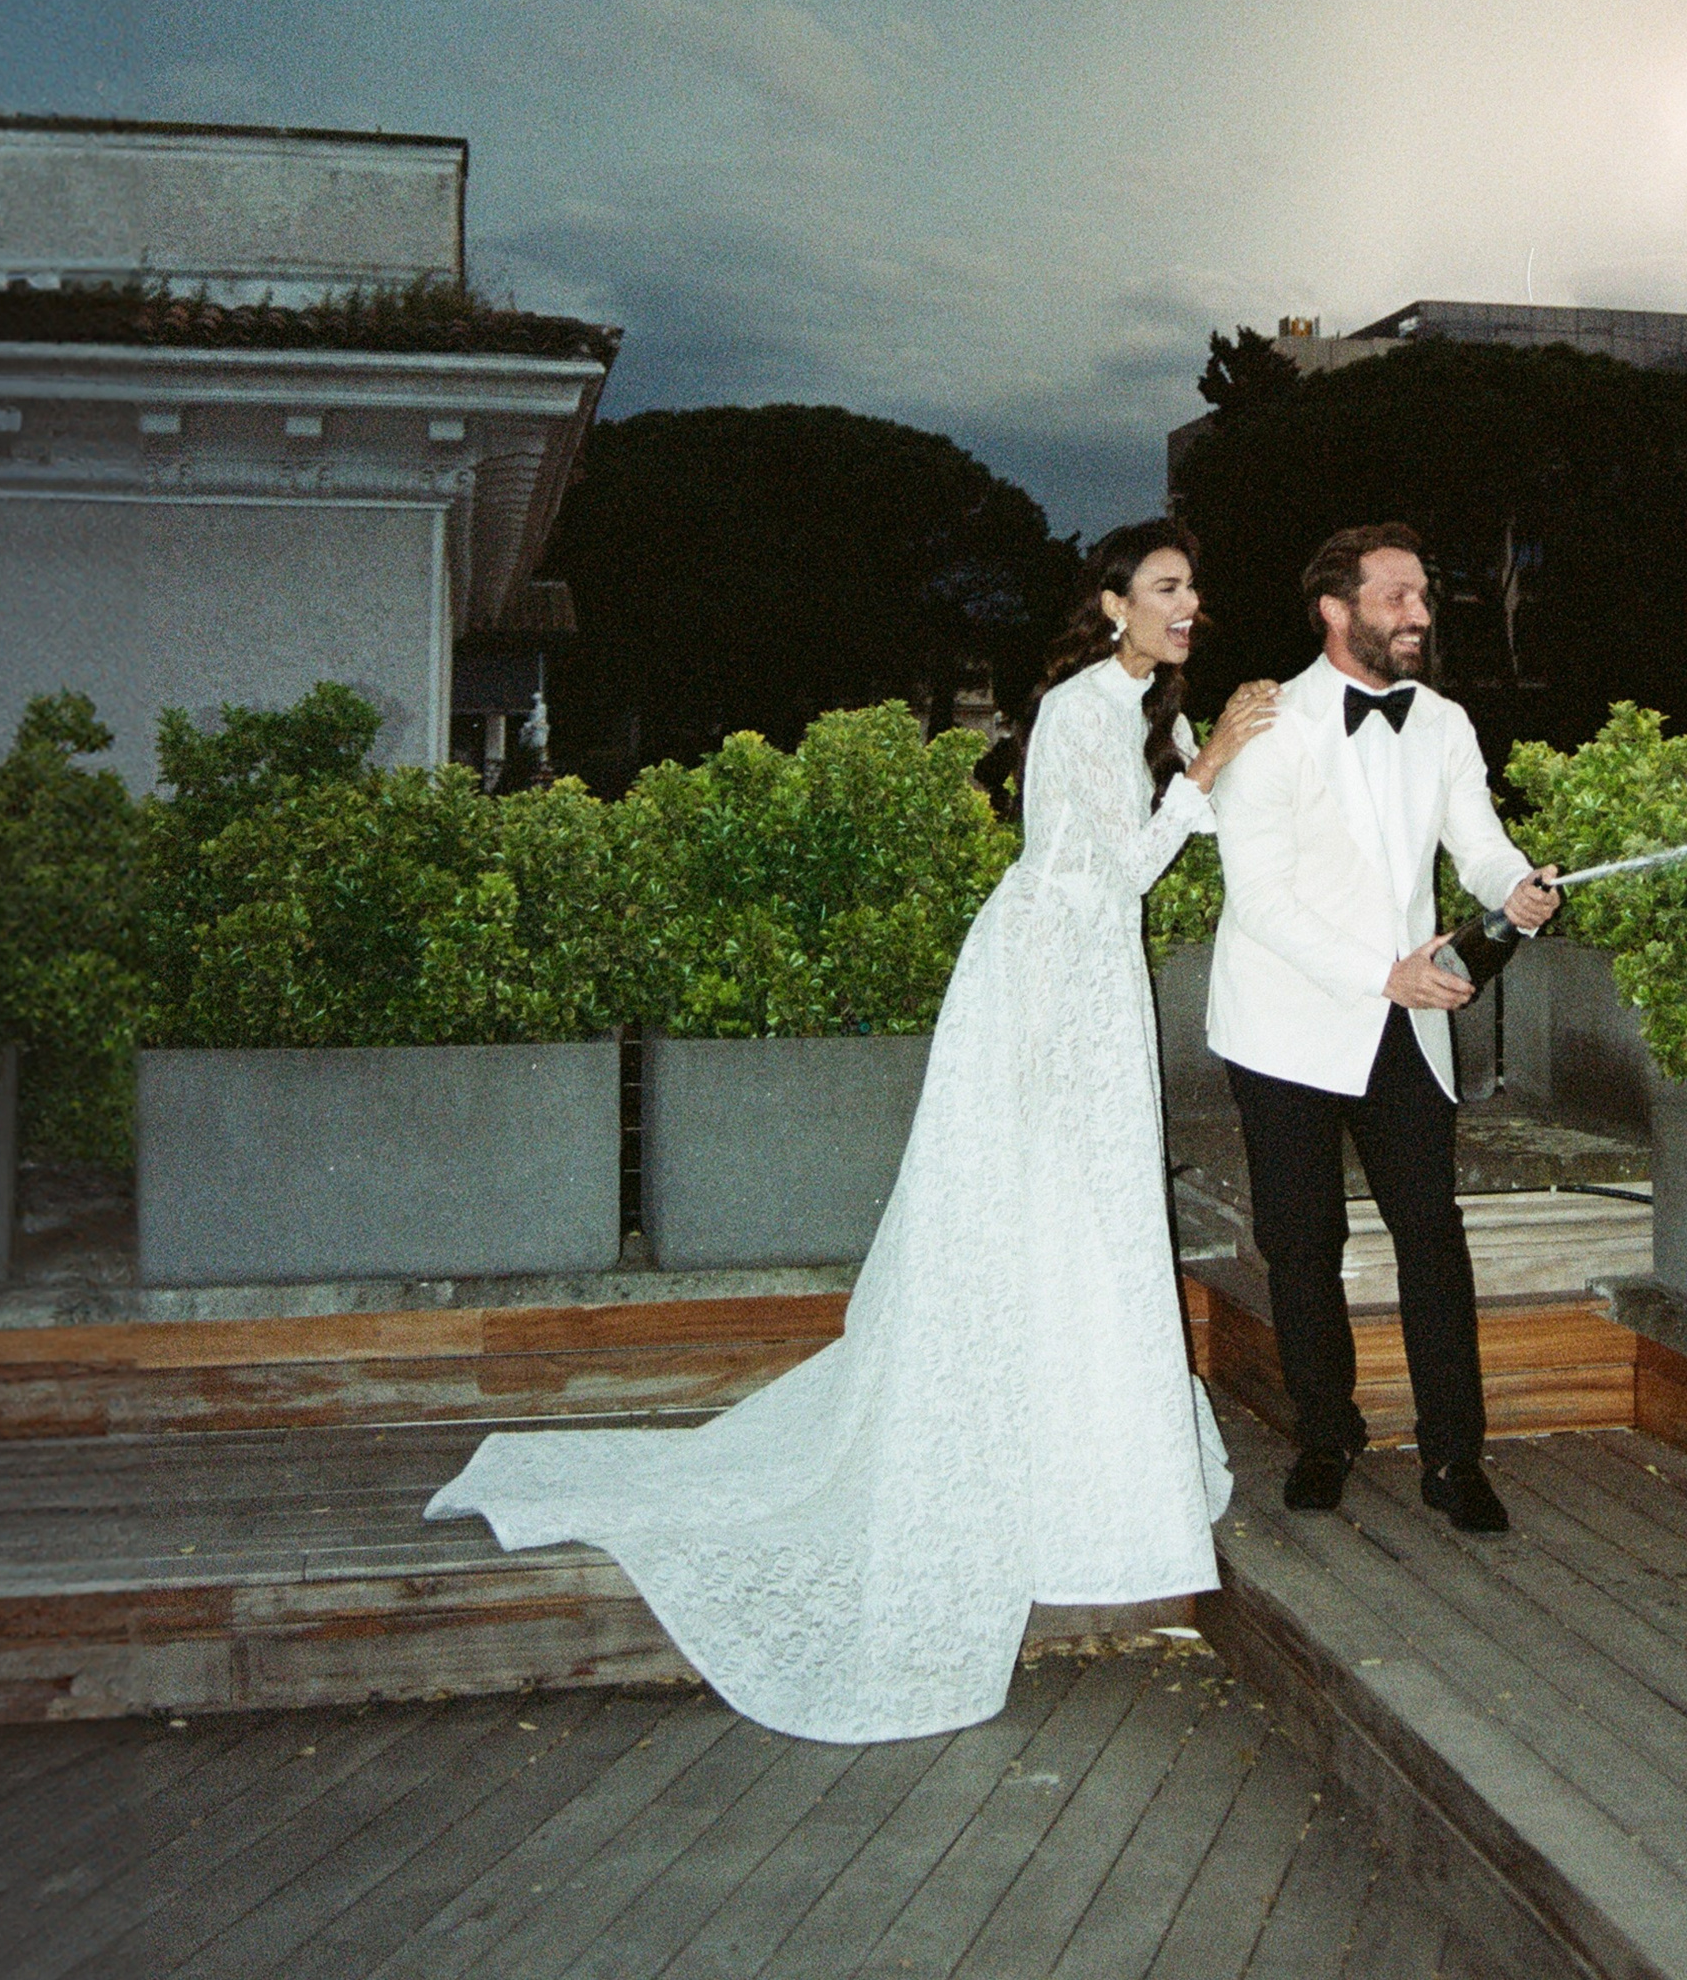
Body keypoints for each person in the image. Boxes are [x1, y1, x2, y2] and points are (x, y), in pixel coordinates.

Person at [428, 519, 1280, 1742]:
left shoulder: (1149, 706)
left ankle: (1094, 1480)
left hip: (1095, 983)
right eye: (1164, 586)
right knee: (1045, 1204)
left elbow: (1165, 837)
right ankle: (1038, 1480)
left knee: (1088, 1219)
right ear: (1109, 603)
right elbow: (1094, 873)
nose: (1187, 602)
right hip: (1047, 982)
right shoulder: (1086, 707)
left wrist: (1220, 754)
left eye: (1193, 584)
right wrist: (1204, 779)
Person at [1206, 523, 1560, 1532]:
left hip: (1404, 1027)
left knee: (1431, 1235)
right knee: (1300, 1240)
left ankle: (1455, 1456)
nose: (1418, 613)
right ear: (1335, 607)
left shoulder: (1443, 721)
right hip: (1283, 1022)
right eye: (1398, 596)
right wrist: (1386, 972)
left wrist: (1517, 889)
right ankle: (1327, 1431)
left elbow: (1480, 845)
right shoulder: (1266, 725)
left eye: (1421, 598)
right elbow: (1262, 900)